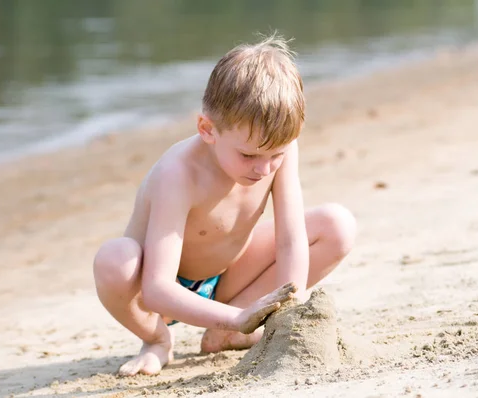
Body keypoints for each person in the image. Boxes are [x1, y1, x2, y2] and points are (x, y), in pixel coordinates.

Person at [92, 33, 357, 376]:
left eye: (275, 155)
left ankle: (226, 334)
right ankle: (157, 341)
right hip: (156, 292)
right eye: (248, 155)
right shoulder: (179, 173)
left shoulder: (277, 149)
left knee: (337, 226)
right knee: (115, 260)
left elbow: (290, 240)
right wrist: (238, 316)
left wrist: (287, 315)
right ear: (207, 129)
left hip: (230, 276)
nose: (263, 169)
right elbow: (157, 289)